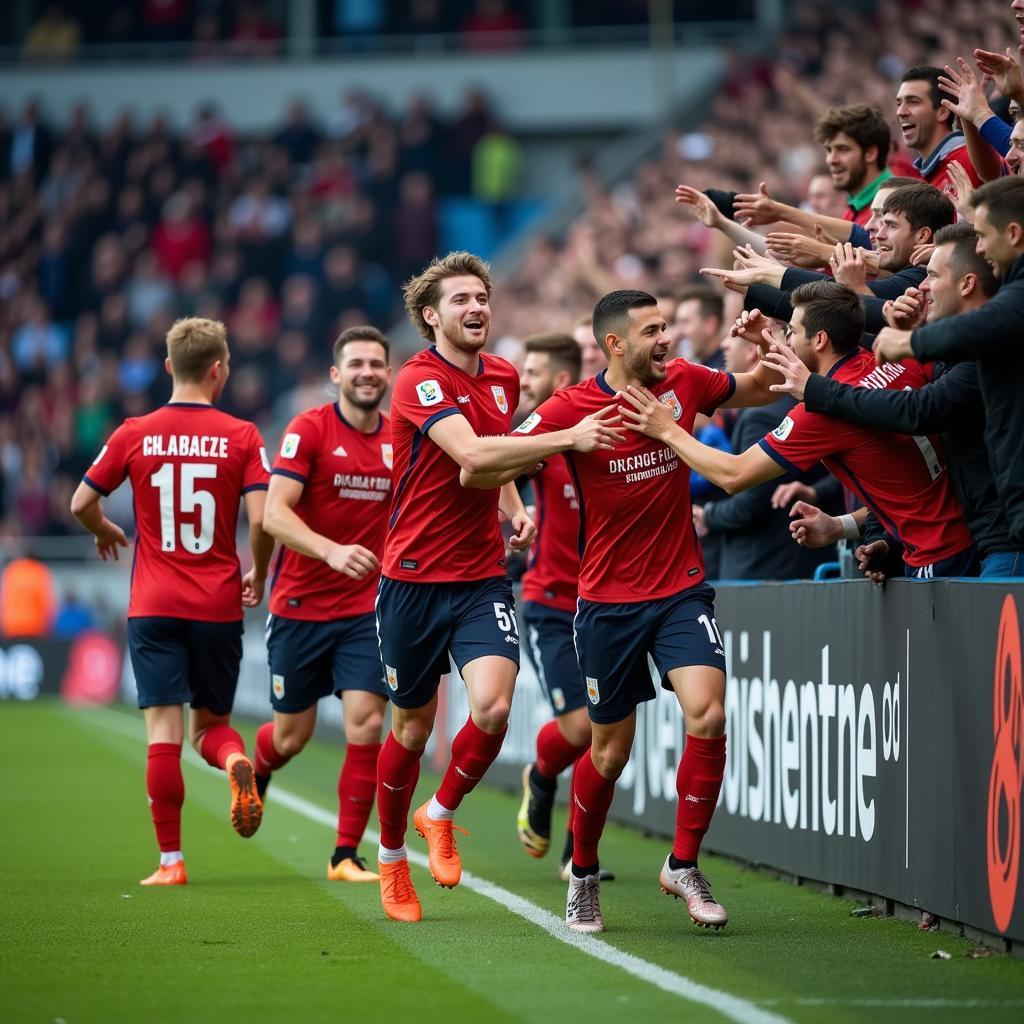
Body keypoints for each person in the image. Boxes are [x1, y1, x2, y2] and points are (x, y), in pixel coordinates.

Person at [472, 288, 788, 933]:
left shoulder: (685, 383)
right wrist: (558, 450)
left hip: (680, 588)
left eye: (666, 326)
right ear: (615, 344)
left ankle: (684, 863)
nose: (665, 338)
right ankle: (583, 874)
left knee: (710, 711)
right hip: (608, 602)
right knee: (609, 753)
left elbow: (760, 389)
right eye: (651, 330)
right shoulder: (571, 405)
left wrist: (767, 344)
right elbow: (487, 464)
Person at [373, 251, 620, 923]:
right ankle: (392, 862)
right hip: (412, 581)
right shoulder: (417, 381)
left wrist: (515, 508)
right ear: (432, 316)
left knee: (490, 708)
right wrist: (567, 435)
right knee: (412, 729)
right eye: (461, 300)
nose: (476, 308)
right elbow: (473, 455)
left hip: (480, 577)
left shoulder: (505, 376)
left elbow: (496, 459)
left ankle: (441, 811)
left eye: (482, 297)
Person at [69, 317, 274, 886]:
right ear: (218, 369)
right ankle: (236, 762)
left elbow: (80, 501)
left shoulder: (135, 431)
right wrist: (259, 566)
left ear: (168, 368)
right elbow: (262, 518)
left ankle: (171, 863)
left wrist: (106, 530)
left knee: (164, 732)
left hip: (154, 604)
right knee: (212, 728)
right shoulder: (243, 435)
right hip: (217, 606)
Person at [621, 282, 976, 580]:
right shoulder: (898, 360)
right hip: (965, 534)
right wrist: (842, 526)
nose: (787, 340)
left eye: (792, 332)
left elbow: (734, 475)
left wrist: (668, 430)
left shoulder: (819, 413)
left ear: (819, 340)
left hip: (937, 555)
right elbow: (906, 486)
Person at [765, 224, 1017, 578]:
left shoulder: (984, 348)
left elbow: (732, 476)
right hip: (978, 538)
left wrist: (667, 429)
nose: (922, 286)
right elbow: (914, 481)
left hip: (1001, 541)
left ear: (967, 283)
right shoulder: (936, 355)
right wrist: (880, 538)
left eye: (931, 275)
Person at [254, 326, 394, 883]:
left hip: (367, 610)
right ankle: (260, 766)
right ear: (335, 375)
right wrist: (331, 552)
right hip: (300, 604)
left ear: (388, 374)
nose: (367, 373)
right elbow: (273, 514)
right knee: (291, 737)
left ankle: (344, 855)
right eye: (356, 364)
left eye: (376, 364)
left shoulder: (399, 437)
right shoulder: (308, 429)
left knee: (367, 722)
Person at [874, 176, 1024, 564]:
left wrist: (909, 342)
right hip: (998, 532)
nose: (981, 247)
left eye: (984, 235)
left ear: (1013, 233)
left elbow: (922, 410)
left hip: (1008, 541)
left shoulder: (1002, 317)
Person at [512, 331, 608, 881]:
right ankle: (543, 776)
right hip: (551, 601)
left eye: (533, 373)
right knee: (580, 728)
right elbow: (491, 471)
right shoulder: (540, 438)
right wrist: (515, 515)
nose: (524, 382)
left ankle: (578, 850)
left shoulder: (612, 431)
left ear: (562, 380)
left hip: (611, 603)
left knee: (607, 734)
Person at [694, 328, 834, 581]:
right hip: (792, 563)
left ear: (752, 352)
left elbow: (748, 498)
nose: (723, 344)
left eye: (732, 338)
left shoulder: (762, 416)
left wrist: (707, 515)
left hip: (766, 569)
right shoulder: (795, 404)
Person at [896, 66, 984, 194]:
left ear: (942, 112)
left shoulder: (972, 160)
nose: (900, 112)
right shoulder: (914, 178)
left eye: (913, 102)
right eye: (899, 103)